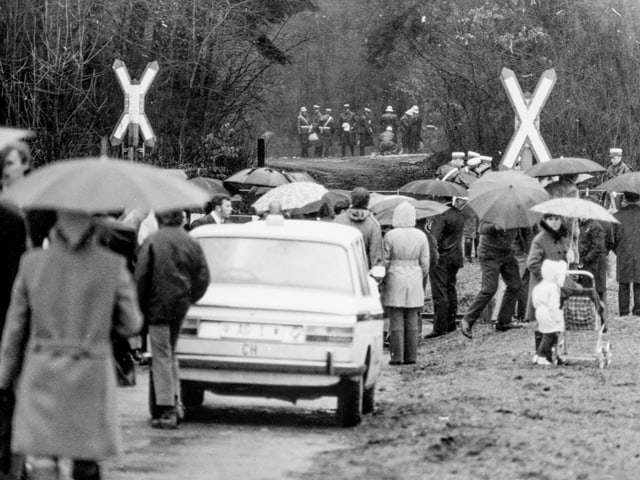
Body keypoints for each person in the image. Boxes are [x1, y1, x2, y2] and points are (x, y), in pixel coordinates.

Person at [0, 210, 142, 480]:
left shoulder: (32, 264)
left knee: (43, 453)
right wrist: (100, 330)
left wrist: (4, 380)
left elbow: (15, 330)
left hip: (43, 371)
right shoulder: (111, 265)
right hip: (91, 372)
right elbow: (132, 323)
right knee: (85, 455)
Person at [135, 209, 210, 429]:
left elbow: (141, 278)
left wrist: (141, 307)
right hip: (180, 305)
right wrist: (189, 298)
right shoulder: (191, 242)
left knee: (161, 354)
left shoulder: (152, 241)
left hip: (156, 305)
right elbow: (203, 277)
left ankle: (167, 407)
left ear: (159, 218)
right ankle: (174, 401)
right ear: (182, 219)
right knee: (170, 352)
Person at [381, 202, 430, 365]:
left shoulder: (390, 235)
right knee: (412, 318)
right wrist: (420, 274)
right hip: (414, 275)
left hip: (395, 275)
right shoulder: (421, 236)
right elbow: (425, 262)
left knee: (396, 319)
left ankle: (397, 356)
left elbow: (385, 260)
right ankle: (411, 356)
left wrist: (383, 278)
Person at [459, 222, 523, 339]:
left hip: (507, 252)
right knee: (489, 288)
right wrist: (495, 227)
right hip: (489, 252)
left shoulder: (518, 212)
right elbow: (482, 228)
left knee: (515, 285)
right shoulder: (494, 210)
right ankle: (467, 320)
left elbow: (528, 234)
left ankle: (504, 321)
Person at [1, 141, 56, 248]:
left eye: (9, 163)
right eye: (1, 163)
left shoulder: (39, 199)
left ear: (25, 164)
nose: (4, 169)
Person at [425, 198, 465, 338]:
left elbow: (434, 238)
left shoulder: (441, 215)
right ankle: (450, 323)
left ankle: (440, 327)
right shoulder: (458, 214)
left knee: (440, 291)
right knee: (450, 289)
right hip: (455, 255)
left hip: (442, 257)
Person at [525, 213, 575, 324]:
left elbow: (565, 261)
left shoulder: (563, 237)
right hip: (543, 287)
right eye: (550, 219)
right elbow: (532, 263)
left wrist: (570, 256)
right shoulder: (540, 239)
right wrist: (548, 278)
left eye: (557, 219)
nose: (554, 222)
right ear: (545, 221)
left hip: (560, 287)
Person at [333, 187, 383, 269]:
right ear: (367, 202)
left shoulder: (338, 221)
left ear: (351, 200)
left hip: (341, 269)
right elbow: (376, 255)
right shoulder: (374, 224)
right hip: (361, 271)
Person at [531, 259, 568, 365]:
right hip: (549, 312)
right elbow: (553, 305)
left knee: (545, 332)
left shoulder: (540, 285)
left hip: (539, 311)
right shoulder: (553, 288)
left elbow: (534, 301)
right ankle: (541, 354)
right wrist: (557, 317)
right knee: (550, 334)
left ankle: (545, 354)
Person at [612, 191, 640, 316]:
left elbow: (612, 239)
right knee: (639, 282)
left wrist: (617, 250)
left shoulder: (617, 216)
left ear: (625, 198)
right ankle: (638, 310)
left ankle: (623, 311)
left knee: (623, 283)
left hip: (623, 252)